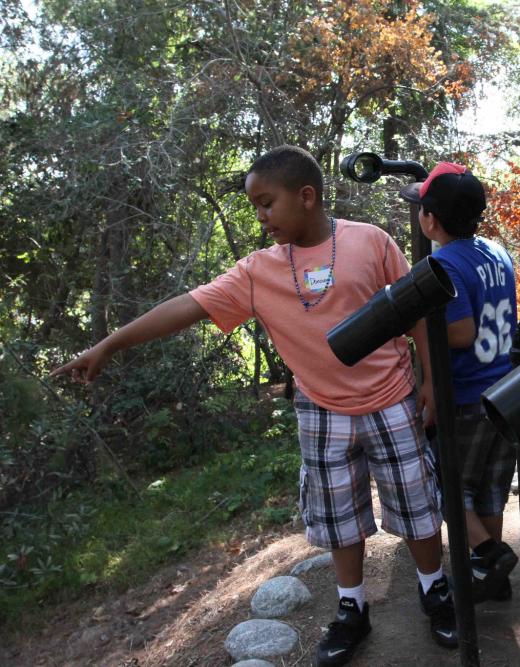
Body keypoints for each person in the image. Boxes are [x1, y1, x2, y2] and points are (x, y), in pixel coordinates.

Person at [52, 145, 457, 666]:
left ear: (306, 197)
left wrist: (428, 381)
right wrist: (109, 344)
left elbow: (416, 308)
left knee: (417, 503)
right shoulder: (255, 273)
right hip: (320, 410)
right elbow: (186, 307)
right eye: (255, 207)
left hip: (391, 400)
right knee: (339, 517)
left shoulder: (370, 242)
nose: (260, 217)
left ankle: (434, 589)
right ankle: (352, 608)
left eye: (266, 203)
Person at [400, 162, 520, 604]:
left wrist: (414, 319)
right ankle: (493, 577)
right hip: (506, 389)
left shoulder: (442, 263)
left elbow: (462, 332)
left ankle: (491, 553)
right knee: (489, 489)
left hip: (467, 395)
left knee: (447, 487)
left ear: (430, 220)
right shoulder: (496, 251)